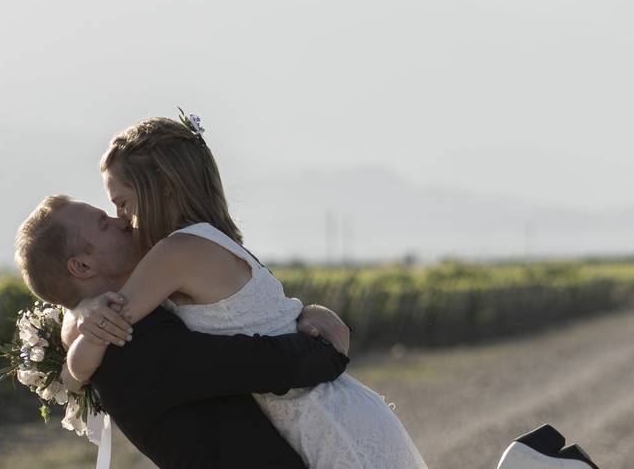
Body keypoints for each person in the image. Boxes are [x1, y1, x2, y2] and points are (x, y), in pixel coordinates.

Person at [65, 116, 429, 469]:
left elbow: (101, 335)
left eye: (123, 203)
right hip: (330, 412)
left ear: (162, 188)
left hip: (324, 427)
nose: (122, 219)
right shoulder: (208, 240)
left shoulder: (175, 253)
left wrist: (72, 361)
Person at [14, 194, 352, 469]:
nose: (123, 222)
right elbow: (252, 363)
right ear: (83, 266)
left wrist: (305, 312)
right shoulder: (129, 345)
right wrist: (328, 349)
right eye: (105, 224)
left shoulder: (131, 317)